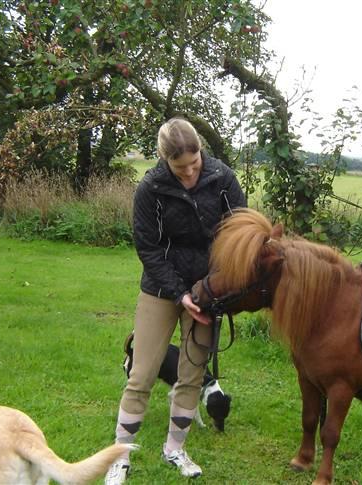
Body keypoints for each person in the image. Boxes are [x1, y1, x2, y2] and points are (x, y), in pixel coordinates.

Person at [105, 118, 246, 484]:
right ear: (164, 159)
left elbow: (239, 233)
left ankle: (175, 449)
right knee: (142, 375)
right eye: (180, 167)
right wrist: (179, 293)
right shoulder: (150, 188)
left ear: (201, 151)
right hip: (160, 288)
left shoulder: (223, 179)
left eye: (194, 164)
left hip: (208, 290)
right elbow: (148, 248)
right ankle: (120, 458)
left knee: (191, 374)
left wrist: (214, 288)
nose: (189, 173)